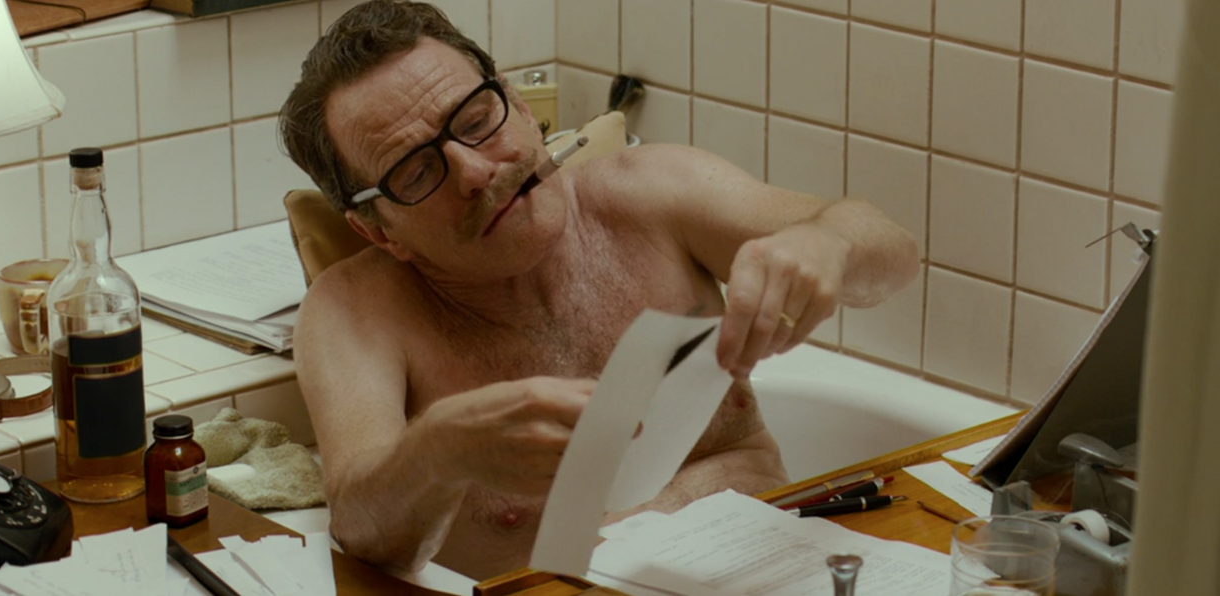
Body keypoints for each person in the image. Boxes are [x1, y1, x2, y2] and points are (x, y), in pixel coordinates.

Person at [279, 0, 919, 581]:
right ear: (377, 229)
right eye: (418, 171)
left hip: (781, 570)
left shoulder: (654, 193)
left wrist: (828, 245)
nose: (474, 172)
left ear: (519, 106)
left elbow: (894, 254)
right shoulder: (353, 311)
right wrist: (437, 452)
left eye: (476, 121)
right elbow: (362, 532)